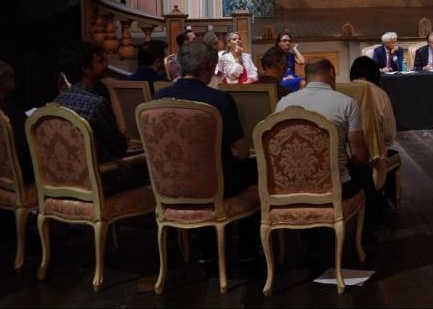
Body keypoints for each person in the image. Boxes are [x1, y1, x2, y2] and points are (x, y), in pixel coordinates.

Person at [153, 40, 259, 264]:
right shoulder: (219, 100)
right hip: (216, 186)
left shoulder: (157, 100)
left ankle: (204, 250)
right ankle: (248, 250)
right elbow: (240, 152)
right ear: (211, 66)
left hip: (168, 185)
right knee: (253, 171)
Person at [54, 41, 148, 194]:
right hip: (102, 181)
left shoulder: (57, 101)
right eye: (100, 61)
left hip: (66, 181)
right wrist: (124, 138)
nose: (106, 64)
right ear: (85, 69)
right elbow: (118, 148)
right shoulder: (96, 104)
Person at [275, 59, 369, 199]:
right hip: (336, 187)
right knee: (365, 174)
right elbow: (360, 158)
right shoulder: (347, 103)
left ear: (306, 78)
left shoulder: (283, 103)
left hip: (290, 188)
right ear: (332, 73)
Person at [349, 56, 397, 148]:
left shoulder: (342, 92)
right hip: (375, 153)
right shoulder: (380, 95)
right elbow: (389, 134)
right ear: (375, 73)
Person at [0, 60, 33, 184]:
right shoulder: (9, 110)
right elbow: (27, 140)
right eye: (11, 77)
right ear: (3, 82)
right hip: (22, 176)